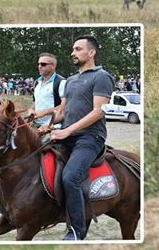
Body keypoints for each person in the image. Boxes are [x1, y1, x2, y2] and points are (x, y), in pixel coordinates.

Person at [50, 35, 115, 241]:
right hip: (68, 135)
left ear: (91, 52)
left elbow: (99, 111)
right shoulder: (70, 80)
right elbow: (62, 112)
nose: (73, 53)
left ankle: (77, 231)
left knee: (70, 177)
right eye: (73, 49)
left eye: (78, 49)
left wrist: (68, 131)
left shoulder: (101, 76)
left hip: (90, 137)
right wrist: (48, 125)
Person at [27, 53, 65, 130]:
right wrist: (31, 110)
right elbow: (36, 102)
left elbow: (66, 106)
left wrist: (45, 112)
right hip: (36, 124)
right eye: (38, 64)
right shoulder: (37, 82)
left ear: (53, 66)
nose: (40, 66)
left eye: (43, 64)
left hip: (53, 126)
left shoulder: (61, 82)